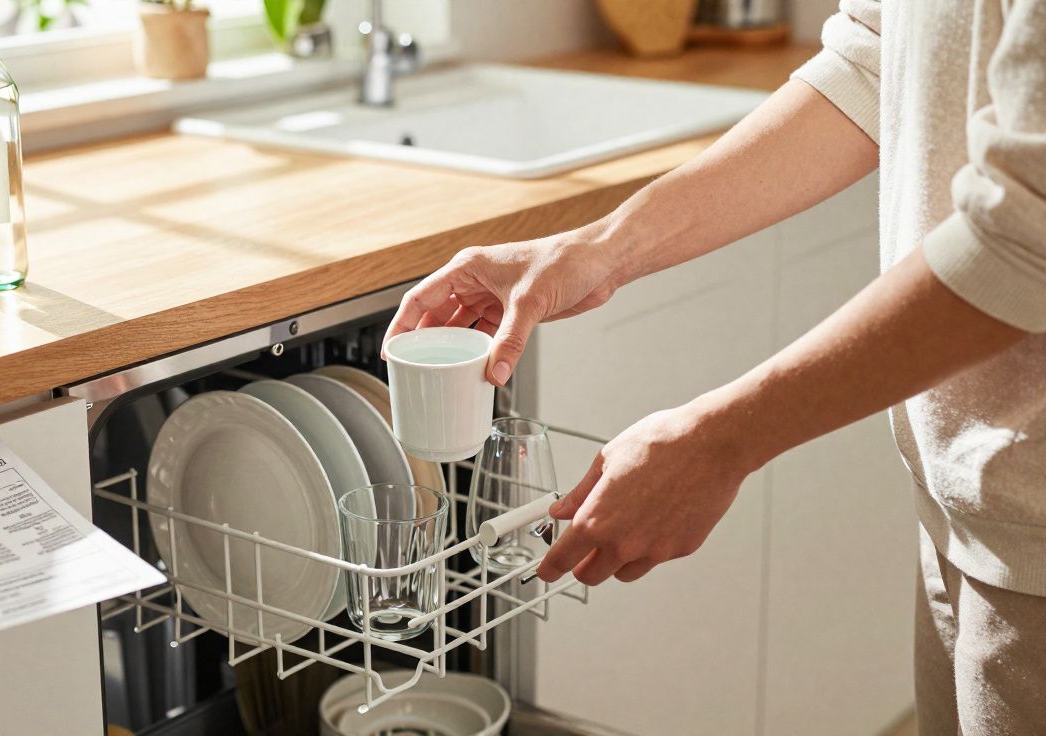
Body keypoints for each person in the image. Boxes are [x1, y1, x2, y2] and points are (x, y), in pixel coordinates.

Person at [383, 1, 1045, 732]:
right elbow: (873, 60)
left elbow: (1024, 240)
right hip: (965, 499)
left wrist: (723, 439)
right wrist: (599, 249)